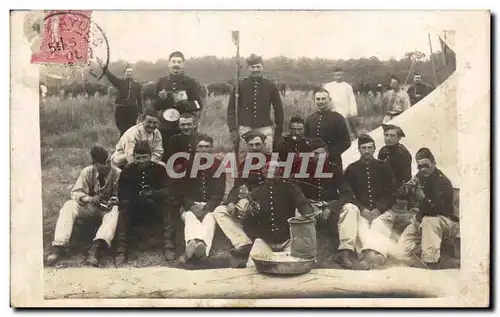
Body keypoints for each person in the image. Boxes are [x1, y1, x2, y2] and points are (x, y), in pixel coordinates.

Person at [213, 161, 314, 268]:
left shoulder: (290, 188)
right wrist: (250, 214)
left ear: (280, 171)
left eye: (275, 169)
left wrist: (309, 215)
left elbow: (304, 204)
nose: (271, 171)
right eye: (268, 168)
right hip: (264, 241)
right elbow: (248, 222)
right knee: (252, 266)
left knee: (291, 266)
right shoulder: (257, 191)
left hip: (287, 240)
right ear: (263, 172)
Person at [46, 145, 121, 267]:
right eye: (103, 163)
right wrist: (89, 198)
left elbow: (123, 195)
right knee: (69, 205)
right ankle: (59, 246)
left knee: (116, 210)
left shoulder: (117, 173)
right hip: (90, 207)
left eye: (108, 161)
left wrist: (115, 200)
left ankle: (96, 249)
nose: (107, 165)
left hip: (107, 209)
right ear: (95, 164)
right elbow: (75, 192)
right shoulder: (87, 172)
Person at [114, 141, 182, 265]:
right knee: (124, 208)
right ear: (134, 157)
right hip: (136, 207)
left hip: (155, 206)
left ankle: (169, 245)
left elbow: (168, 189)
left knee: (168, 205)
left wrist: (153, 194)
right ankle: (121, 249)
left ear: (150, 157)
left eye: (144, 157)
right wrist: (138, 197)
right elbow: (122, 193)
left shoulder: (160, 169)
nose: (141, 161)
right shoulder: (127, 171)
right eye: (138, 158)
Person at [341, 134, 398, 270]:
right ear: (359, 150)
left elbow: (392, 193)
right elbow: (348, 194)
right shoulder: (352, 169)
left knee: (381, 223)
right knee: (361, 227)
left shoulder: (383, 167)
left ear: (374, 149)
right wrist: (362, 209)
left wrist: (379, 208)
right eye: (363, 148)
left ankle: (375, 256)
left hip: (382, 211)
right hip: (362, 211)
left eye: (369, 148)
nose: (366, 151)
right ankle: (368, 256)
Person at [395, 148, 459, 269]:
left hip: (445, 221)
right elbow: (401, 195)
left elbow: (434, 210)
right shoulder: (419, 176)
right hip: (423, 220)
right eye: (419, 167)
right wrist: (406, 189)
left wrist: (421, 196)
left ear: (434, 163)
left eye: (426, 165)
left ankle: (431, 261)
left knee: (429, 221)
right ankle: (426, 252)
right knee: (399, 253)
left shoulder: (442, 182)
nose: (423, 169)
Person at [227, 54, 285, 161]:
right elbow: (231, 109)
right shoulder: (240, 85)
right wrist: (233, 129)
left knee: (267, 155)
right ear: (249, 68)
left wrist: (278, 132)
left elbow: (278, 110)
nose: (256, 70)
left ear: (262, 67)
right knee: (242, 157)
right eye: (253, 67)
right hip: (245, 127)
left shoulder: (270, 86)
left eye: (258, 67)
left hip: (264, 127)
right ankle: (241, 177)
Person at [178, 134, 226, 263]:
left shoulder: (218, 165)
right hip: (191, 206)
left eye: (207, 147)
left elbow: (219, 192)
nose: (203, 150)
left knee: (209, 219)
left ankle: (201, 248)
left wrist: (207, 207)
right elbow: (182, 190)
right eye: (200, 147)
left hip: (209, 206)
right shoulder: (188, 165)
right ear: (196, 148)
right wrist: (192, 206)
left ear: (211, 149)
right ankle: (193, 245)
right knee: (190, 218)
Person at [154, 51, 204, 163]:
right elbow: (155, 106)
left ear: (183, 64)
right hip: (165, 127)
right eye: (173, 62)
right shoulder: (161, 82)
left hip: (185, 126)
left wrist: (186, 104)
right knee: (166, 156)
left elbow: (198, 104)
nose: (176, 64)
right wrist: (161, 99)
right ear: (169, 64)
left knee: (185, 157)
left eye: (179, 62)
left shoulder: (191, 82)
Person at [304, 88, 351, 170]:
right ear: (314, 101)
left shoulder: (338, 118)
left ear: (329, 100)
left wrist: (328, 153)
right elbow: (306, 139)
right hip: (312, 162)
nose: (321, 102)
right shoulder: (309, 118)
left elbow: (346, 142)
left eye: (323, 99)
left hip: (332, 162)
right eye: (318, 99)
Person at [100, 61, 144, 136]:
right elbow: (111, 77)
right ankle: (122, 145)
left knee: (131, 129)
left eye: (131, 72)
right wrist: (104, 68)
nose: (129, 73)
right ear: (125, 73)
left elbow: (140, 99)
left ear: (132, 74)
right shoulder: (120, 82)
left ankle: (129, 145)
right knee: (122, 129)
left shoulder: (137, 85)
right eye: (128, 72)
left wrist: (140, 111)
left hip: (132, 110)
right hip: (121, 109)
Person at [322, 67, 358, 136]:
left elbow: (352, 100)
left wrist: (352, 113)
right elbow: (324, 98)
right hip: (331, 111)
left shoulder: (347, 86)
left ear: (343, 75)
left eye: (340, 75)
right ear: (334, 75)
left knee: (344, 131)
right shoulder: (328, 86)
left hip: (344, 113)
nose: (339, 77)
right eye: (337, 75)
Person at [377, 124, 412, 193]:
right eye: (386, 135)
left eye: (392, 135)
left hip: (399, 191)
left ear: (399, 138)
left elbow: (406, 177)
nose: (388, 138)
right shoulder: (382, 150)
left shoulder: (402, 153)